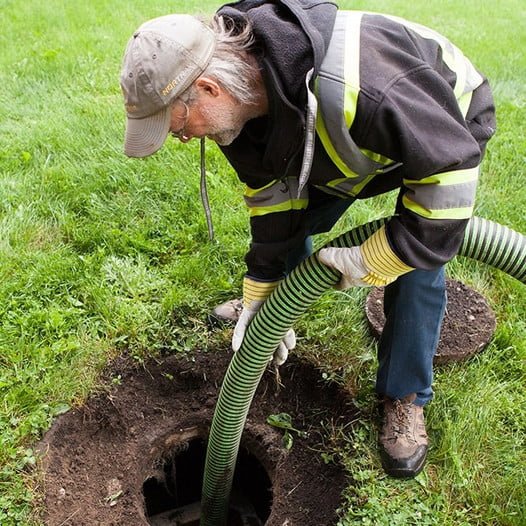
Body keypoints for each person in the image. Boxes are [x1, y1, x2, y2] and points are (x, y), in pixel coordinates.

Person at [119, 0, 495, 478]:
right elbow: (273, 197)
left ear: (209, 89)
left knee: (418, 254)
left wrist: (372, 259)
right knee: (298, 216)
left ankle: (405, 396)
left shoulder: (366, 87)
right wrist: (262, 296)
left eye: (177, 128)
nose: (183, 140)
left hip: (439, 124)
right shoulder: (239, 107)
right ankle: (280, 308)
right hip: (340, 132)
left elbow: (445, 195)